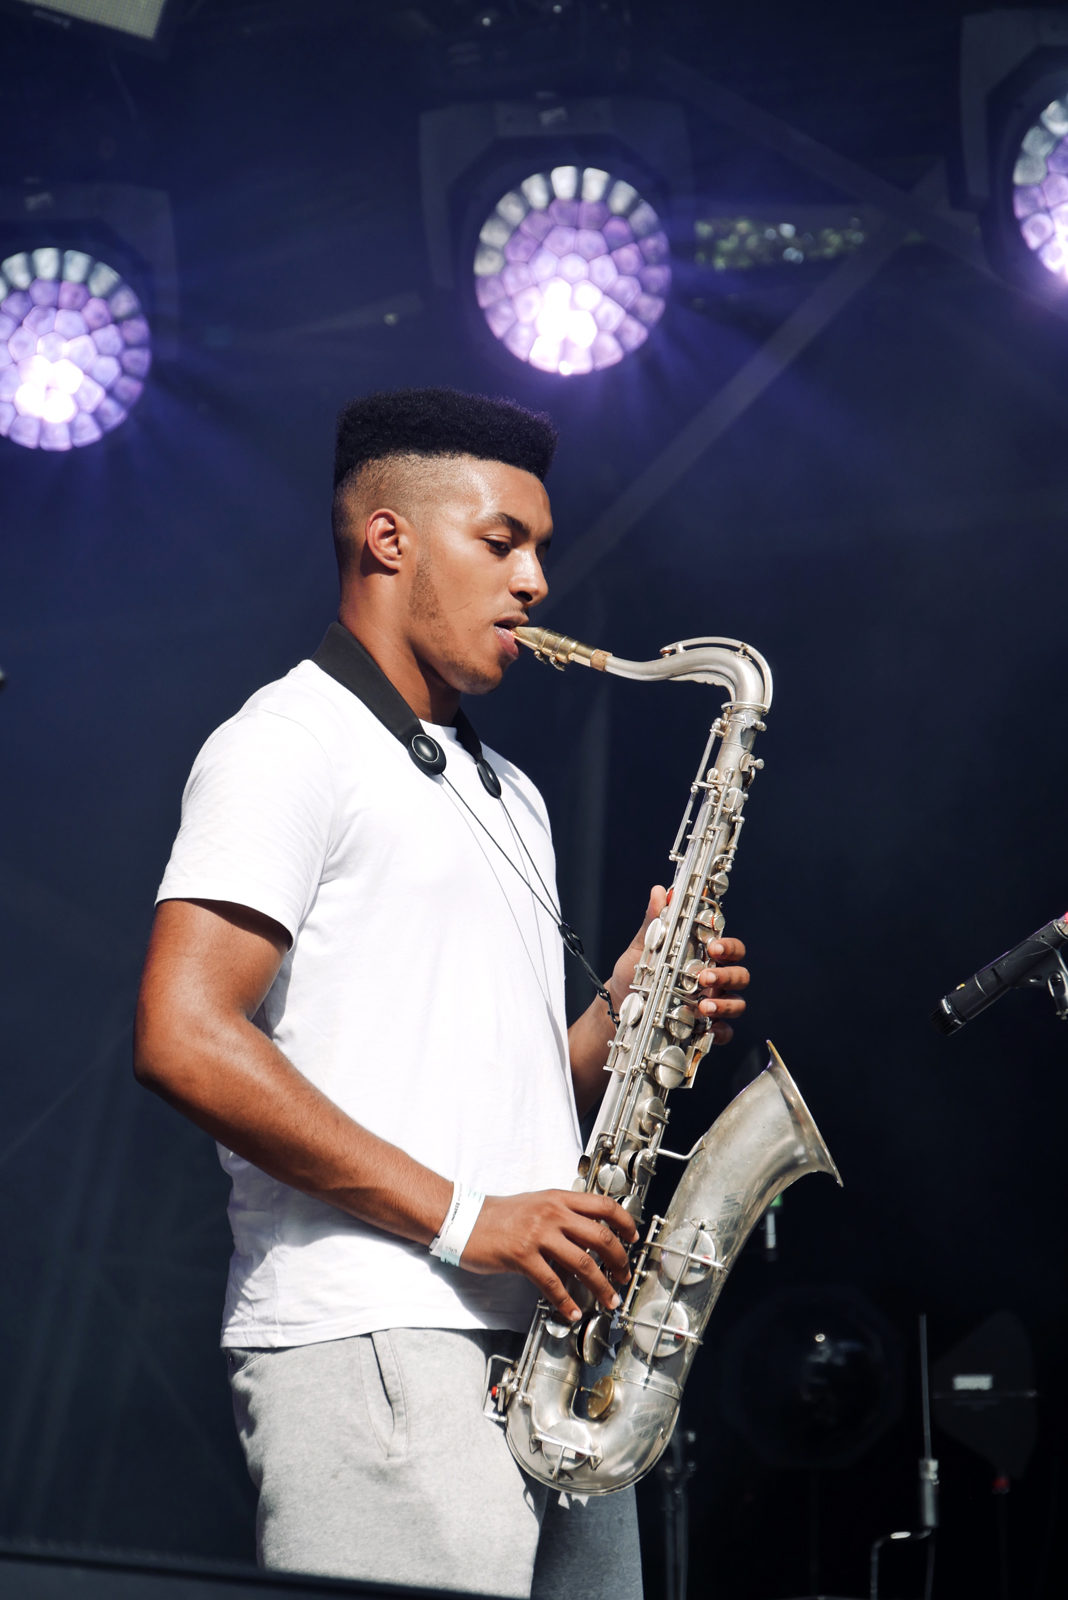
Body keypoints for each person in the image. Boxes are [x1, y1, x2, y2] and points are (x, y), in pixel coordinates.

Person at [133, 388, 749, 1598]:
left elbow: (500, 1088)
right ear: (389, 539)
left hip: (553, 1356)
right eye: (501, 541)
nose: (536, 582)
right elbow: (183, 1033)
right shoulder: (288, 741)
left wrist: (629, 1013)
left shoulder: (510, 790)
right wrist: (474, 1221)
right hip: (377, 1333)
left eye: (541, 550)